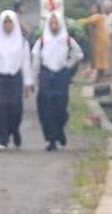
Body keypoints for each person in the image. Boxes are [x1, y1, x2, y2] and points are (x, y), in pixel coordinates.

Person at [0, 10, 34, 150]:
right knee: (1, 109)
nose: (7, 25)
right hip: (0, 79)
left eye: (10, 22)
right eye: (5, 22)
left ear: (15, 24)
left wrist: (28, 83)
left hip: (15, 79)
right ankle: (2, 139)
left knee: (16, 110)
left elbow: (25, 63)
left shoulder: (22, 42)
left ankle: (14, 130)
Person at [31, 11, 84, 151]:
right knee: (47, 109)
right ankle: (52, 140)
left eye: (56, 23)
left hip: (61, 76)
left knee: (60, 108)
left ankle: (59, 130)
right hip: (46, 76)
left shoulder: (67, 40)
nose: (54, 25)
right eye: (51, 23)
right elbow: (36, 59)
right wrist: (34, 77)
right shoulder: (42, 41)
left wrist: (68, 65)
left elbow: (78, 54)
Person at [75, 3, 110, 83]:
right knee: (98, 59)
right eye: (92, 7)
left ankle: (100, 77)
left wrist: (75, 22)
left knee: (101, 59)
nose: (93, 9)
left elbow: (87, 21)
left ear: (98, 9)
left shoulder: (98, 16)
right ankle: (99, 77)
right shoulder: (95, 16)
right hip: (98, 41)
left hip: (102, 41)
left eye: (94, 7)